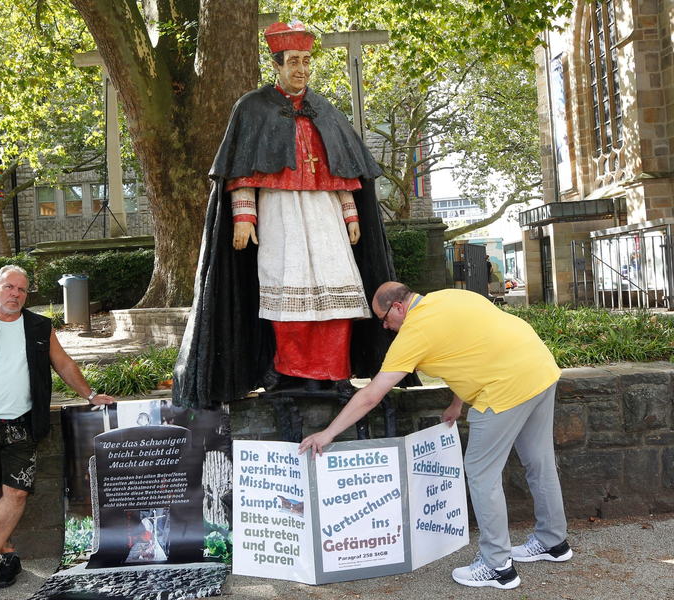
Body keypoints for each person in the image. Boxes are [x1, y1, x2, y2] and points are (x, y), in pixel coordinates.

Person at [173, 20, 399, 408]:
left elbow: (343, 168)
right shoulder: (252, 107)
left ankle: (335, 371)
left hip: (325, 215)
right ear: (276, 64)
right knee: (286, 291)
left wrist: (351, 214)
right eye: (293, 61)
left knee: (338, 290)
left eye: (307, 61)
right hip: (278, 213)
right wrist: (244, 214)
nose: (302, 69)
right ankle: (292, 370)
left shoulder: (324, 109)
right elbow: (241, 165)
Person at [299, 282, 572, 590]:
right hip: (539, 367)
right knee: (540, 461)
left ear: (399, 308)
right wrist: (457, 403)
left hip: (503, 389)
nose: (386, 327)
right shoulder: (448, 297)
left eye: (385, 319)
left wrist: (328, 433)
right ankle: (554, 542)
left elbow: (371, 396)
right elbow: (473, 347)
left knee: (482, 473)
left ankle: (498, 566)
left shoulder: (415, 332)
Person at [0, 265, 115, 592]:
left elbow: (63, 363)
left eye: (21, 289)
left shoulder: (38, 327)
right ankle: (8, 556)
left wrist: (89, 394)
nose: (15, 294)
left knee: (16, 491)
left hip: (21, 423)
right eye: (8, 287)